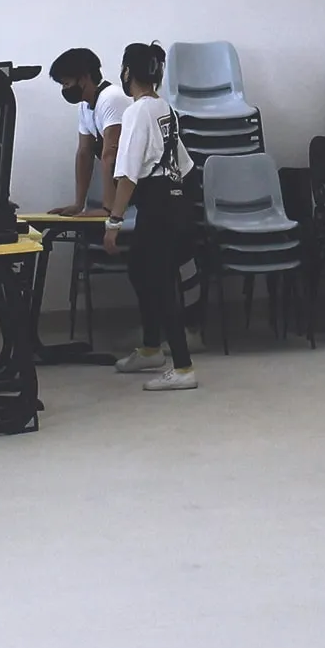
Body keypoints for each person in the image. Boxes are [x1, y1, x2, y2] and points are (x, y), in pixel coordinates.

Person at [105, 41, 196, 392]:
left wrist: (113, 222)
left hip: (157, 206)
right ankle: (151, 348)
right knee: (140, 271)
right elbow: (185, 165)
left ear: (128, 72)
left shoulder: (137, 112)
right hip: (173, 201)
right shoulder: (164, 108)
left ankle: (183, 367)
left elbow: (127, 175)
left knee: (158, 282)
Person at [48, 47, 130, 216]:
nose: (64, 89)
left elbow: (111, 154)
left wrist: (108, 209)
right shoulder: (85, 107)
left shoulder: (111, 98)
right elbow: (84, 153)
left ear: (84, 77)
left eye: (66, 83)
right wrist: (79, 204)